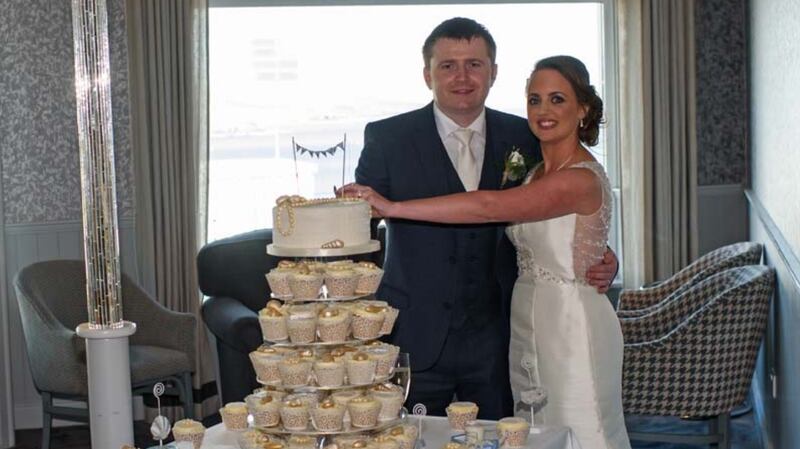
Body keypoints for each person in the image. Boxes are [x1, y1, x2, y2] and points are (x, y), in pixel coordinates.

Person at [345, 55, 630, 449]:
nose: (543, 111)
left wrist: (393, 207)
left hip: (568, 326)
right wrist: (596, 247)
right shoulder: (534, 167)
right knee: (533, 432)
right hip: (522, 325)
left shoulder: (574, 175)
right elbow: (558, 227)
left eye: (557, 99)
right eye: (535, 99)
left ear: (582, 109)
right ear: (427, 73)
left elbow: (490, 207)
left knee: (581, 425)